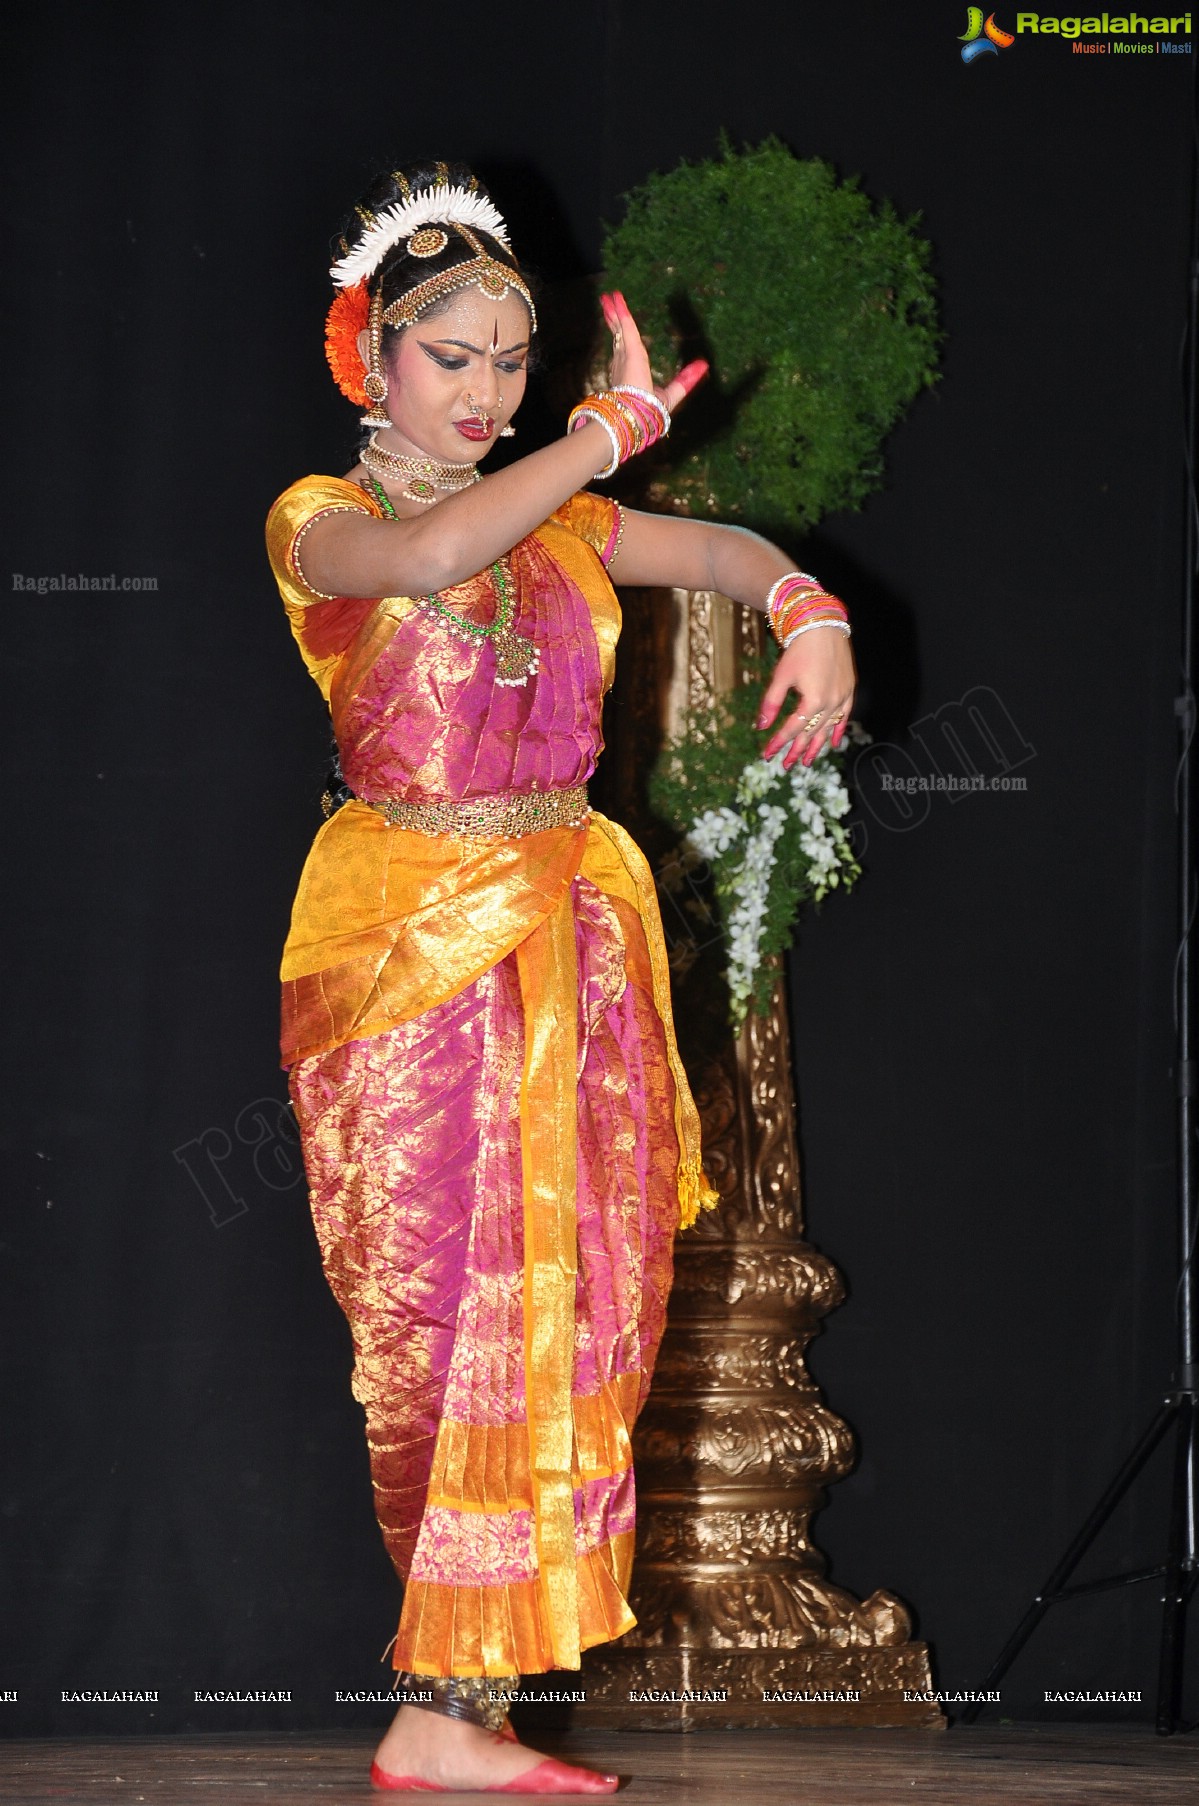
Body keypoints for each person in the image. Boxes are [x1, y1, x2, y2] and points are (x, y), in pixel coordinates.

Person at [265, 159, 856, 1795]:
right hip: (411, 953)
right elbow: (430, 554)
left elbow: (733, 553)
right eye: (445, 356)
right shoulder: (321, 521)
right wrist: (601, 436)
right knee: (447, 1318)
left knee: (574, 1316)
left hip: (571, 948)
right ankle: (441, 1703)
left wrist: (813, 612)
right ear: (368, 358)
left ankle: (464, 1719)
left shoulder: (571, 519)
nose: (482, 391)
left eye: (508, 362)